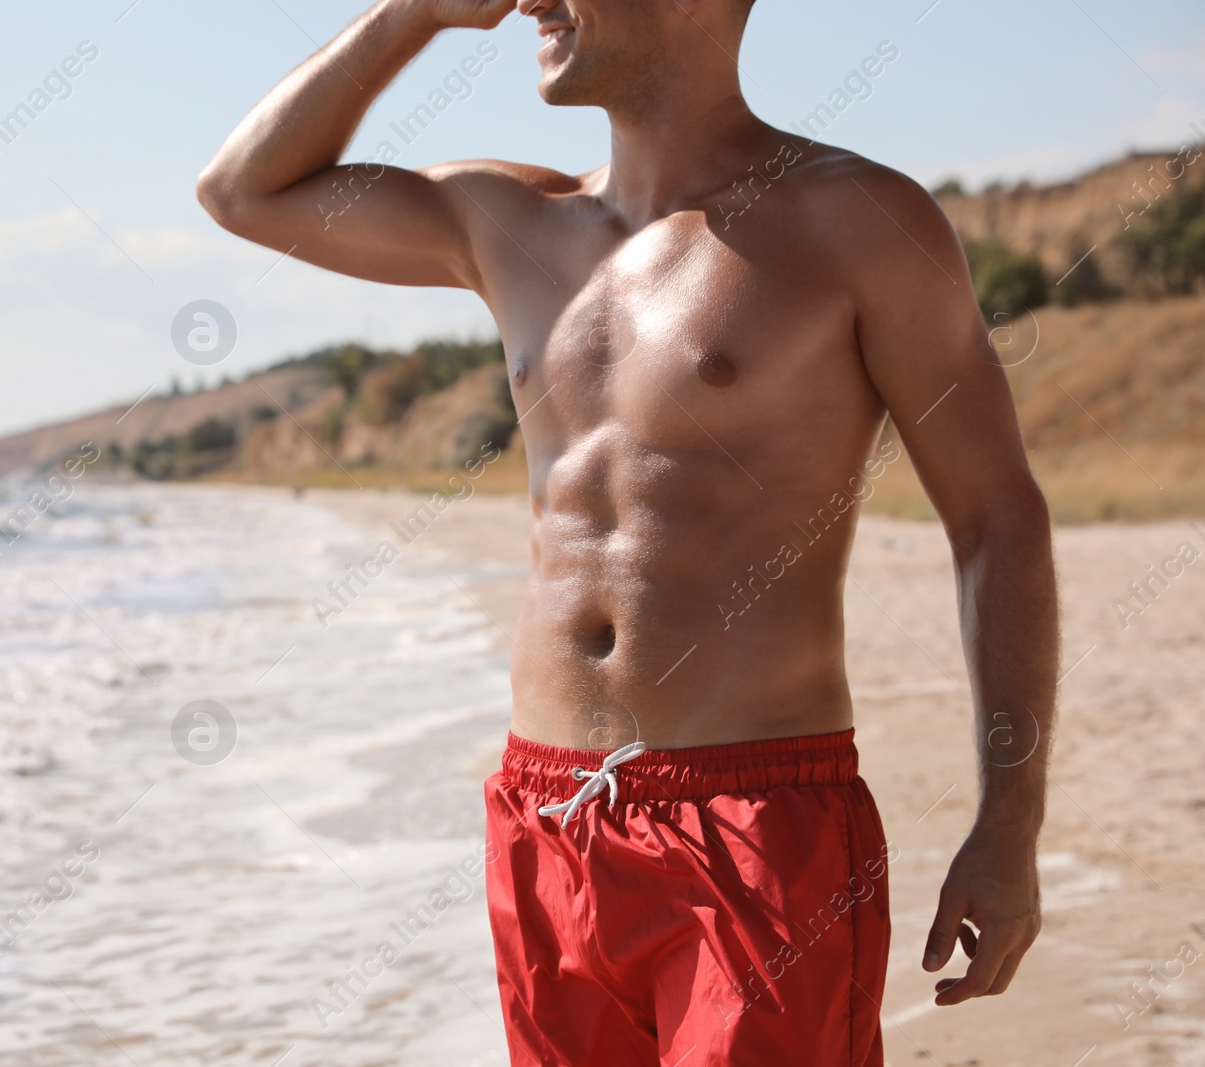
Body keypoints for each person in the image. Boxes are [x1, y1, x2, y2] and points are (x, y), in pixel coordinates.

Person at [198, 0, 1059, 1063]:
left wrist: (1008, 826)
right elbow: (242, 190)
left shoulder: (858, 222)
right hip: (544, 815)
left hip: (753, 821)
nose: (532, 3)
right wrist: (414, 15)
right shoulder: (504, 217)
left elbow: (995, 519)